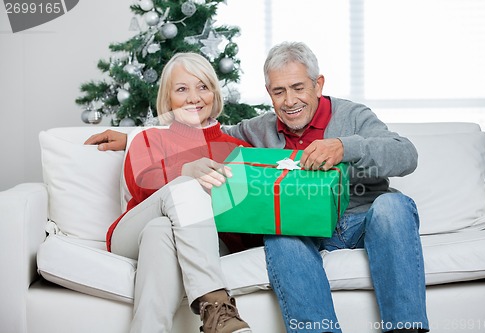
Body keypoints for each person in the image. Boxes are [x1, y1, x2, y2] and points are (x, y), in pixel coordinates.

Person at [86, 42, 429, 333]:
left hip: (359, 217)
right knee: (280, 232)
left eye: (298, 88)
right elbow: (200, 134)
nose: (289, 100)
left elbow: (405, 154)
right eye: (279, 91)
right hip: (305, 227)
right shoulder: (257, 130)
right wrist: (131, 136)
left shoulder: (352, 116)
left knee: (392, 206)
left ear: (318, 84)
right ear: (269, 93)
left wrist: (344, 147)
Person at [91, 52, 259, 333]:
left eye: (202, 87)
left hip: (203, 241)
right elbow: (141, 185)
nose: (194, 97)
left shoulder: (238, 150)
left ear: (214, 94)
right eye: (182, 89)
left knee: (161, 230)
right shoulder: (149, 138)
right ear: (167, 98)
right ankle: (219, 309)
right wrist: (185, 173)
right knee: (182, 190)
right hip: (132, 234)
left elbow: (249, 218)